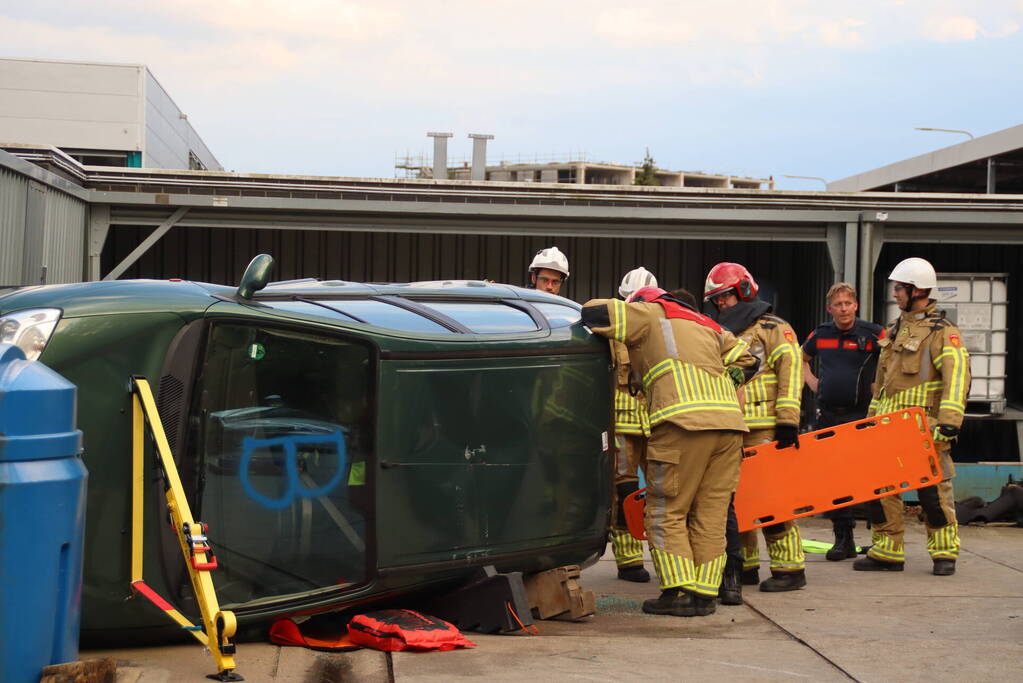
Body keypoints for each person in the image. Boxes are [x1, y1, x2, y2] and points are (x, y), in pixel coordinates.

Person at [581, 286, 755, 617]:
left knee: (666, 510)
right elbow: (749, 360)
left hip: (681, 423)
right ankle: (705, 594)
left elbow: (593, 312)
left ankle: (678, 592)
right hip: (729, 427)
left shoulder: (648, 314)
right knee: (711, 514)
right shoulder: (708, 323)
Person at [854, 257, 970, 576]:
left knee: (933, 495)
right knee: (880, 492)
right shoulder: (895, 330)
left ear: (917, 290)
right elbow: (883, 386)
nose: (895, 293)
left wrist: (949, 422)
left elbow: (957, 376)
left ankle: (944, 553)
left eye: (899, 288)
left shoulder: (943, 331)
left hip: (927, 428)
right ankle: (887, 552)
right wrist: (870, 422)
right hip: (888, 428)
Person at [703, 262, 807, 593]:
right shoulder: (717, 331)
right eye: (716, 300)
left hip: (766, 427)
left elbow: (792, 372)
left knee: (772, 499)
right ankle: (746, 565)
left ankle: (790, 569)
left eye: (725, 298)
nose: (720, 305)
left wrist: (788, 421)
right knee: (738, 498)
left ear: (743, 291)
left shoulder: (774, 328)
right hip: (731, 426)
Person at [802, 282, 885, 561]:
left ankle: (883, 540)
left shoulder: (873, 333)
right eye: (838, 304)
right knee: (834, 478)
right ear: (830, 309)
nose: (843, 309)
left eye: (848, 303)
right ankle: (843, 539)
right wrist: (814, 383)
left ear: (856, 305)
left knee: (869, 477)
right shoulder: (821, 334)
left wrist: (878, 386)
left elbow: (894, 359)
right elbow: (799, 359)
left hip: (860, 415)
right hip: (827, 415)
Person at [608, 267, 659, 583]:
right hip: (623, 425)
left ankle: (664, 556)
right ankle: (628, 563)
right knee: (623, 489)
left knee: (661, 491)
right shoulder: (612, 331)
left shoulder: (662, 329)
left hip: (655, 423)